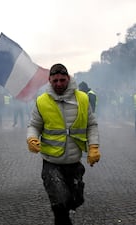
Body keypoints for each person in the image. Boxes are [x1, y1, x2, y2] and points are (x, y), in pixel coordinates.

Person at [26, 63, 100, 225]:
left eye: (62, 80)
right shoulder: (42, 101)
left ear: (68, 78)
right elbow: (34, 125)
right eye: (55, 81)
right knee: (60, 204)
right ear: (50, 81)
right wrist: (31, 138)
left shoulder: (83, 98)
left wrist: (93, 146)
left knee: (75, 200)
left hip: (74, 162)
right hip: (51, 162)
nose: (59, 84)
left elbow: (91, 125)